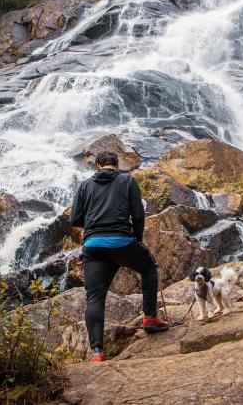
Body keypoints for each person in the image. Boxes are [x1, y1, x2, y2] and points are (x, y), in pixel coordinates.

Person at [71, 150, 169, 363]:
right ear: (117, 164)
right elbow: (138, 214)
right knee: (149, 268)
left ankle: (97, 352)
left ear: (97, 165)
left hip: (93, 246)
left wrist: (93, 227)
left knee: (95, 297)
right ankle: (150, 318)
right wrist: (137, 239)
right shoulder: (128, 181)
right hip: (122, 241)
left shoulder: (85, 185)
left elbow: (75, 218)